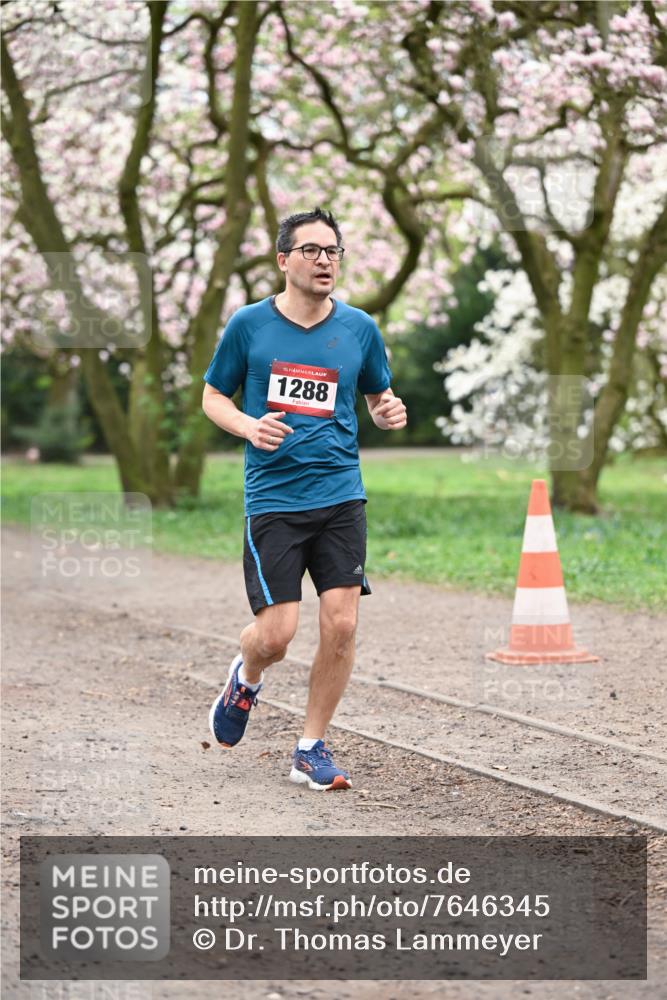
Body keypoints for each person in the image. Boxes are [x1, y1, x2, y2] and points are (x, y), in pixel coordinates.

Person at [202, 207, 407, 791]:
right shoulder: (249, 325)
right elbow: (213, 397)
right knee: (276, 636)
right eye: (311, 250)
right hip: (275, 498)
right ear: (283, 260)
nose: (324, 260)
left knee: (341, 625)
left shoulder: (359, 328)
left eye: (332, 251)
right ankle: (246, 677)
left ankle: (310, 748)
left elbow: (377, 395)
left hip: (341, 495)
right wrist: (248, 426)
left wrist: (385, 411)